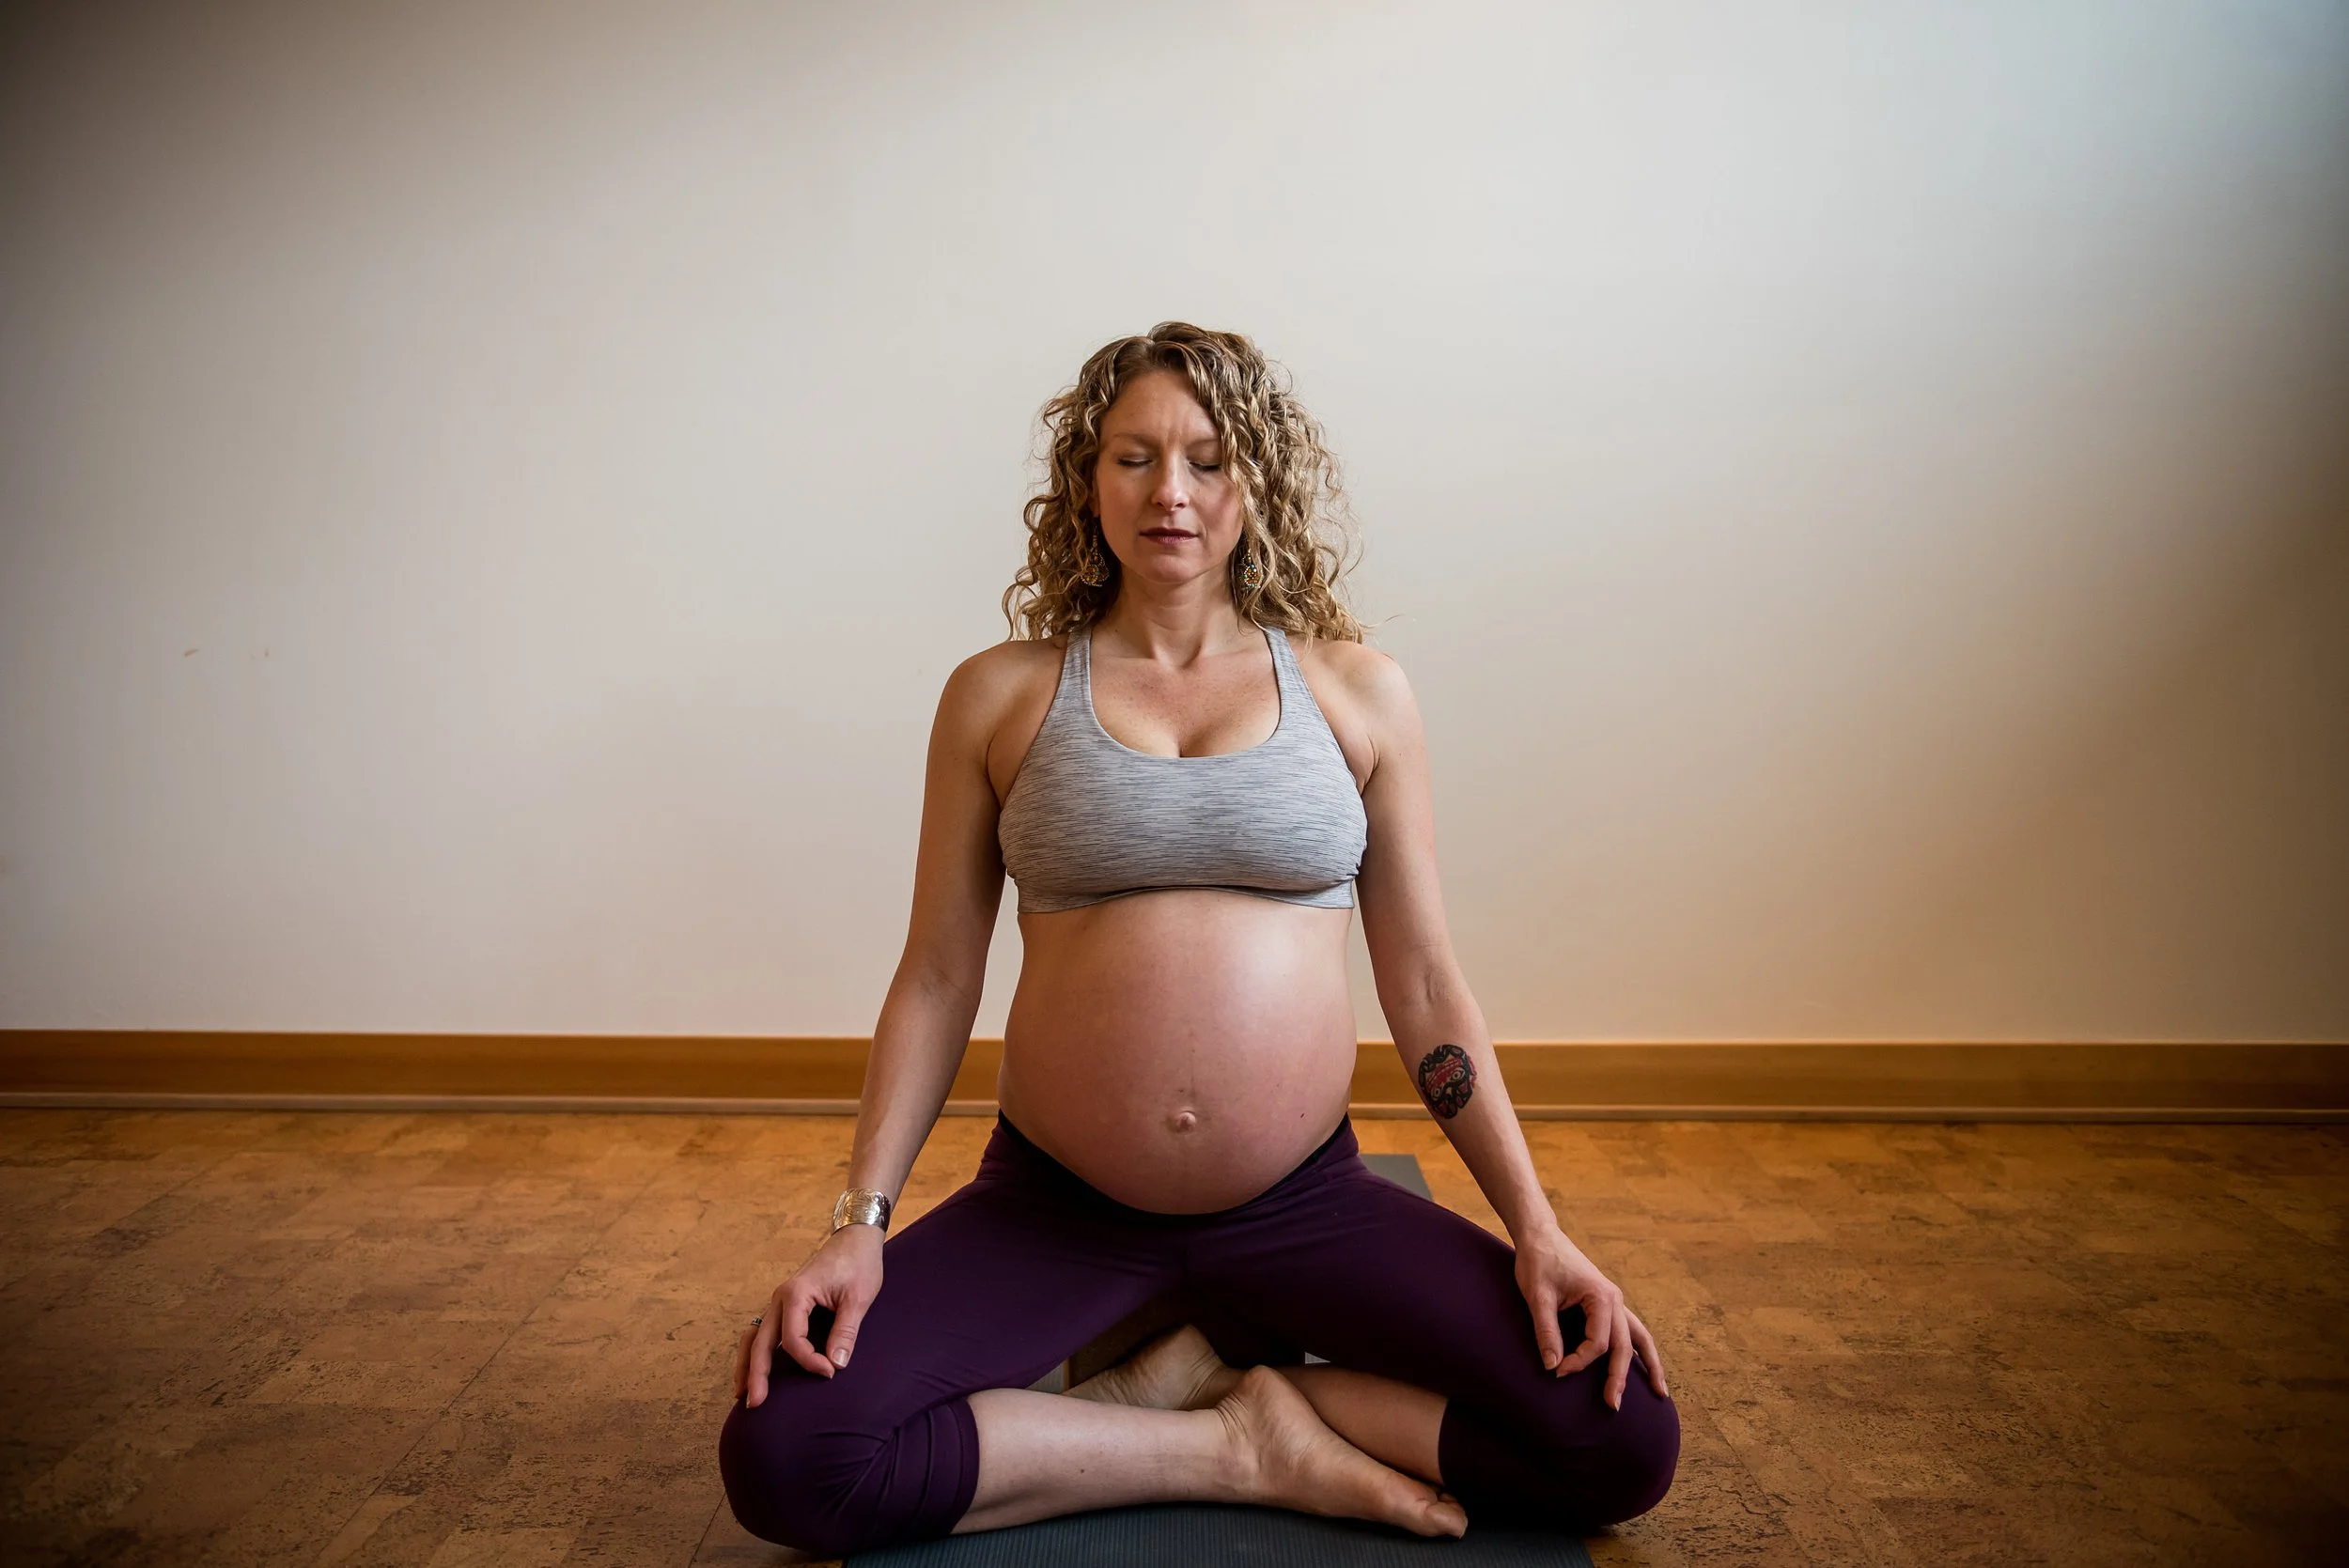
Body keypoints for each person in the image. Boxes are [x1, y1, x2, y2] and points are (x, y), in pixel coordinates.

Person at [719, 323, 1677, 1557]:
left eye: (1209, 459)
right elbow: (939, 977)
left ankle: (1266, 1398)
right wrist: (859, 1227)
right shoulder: (1001, 694)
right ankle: (1229, 1442)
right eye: (1135, 458)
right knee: (789, 1457)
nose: (1172, 491)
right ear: (1086, 482)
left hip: (1304, 1208)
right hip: (1054, 1209)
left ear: (1255, 484)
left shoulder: (1357, 691)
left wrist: (1541, 1232)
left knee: (1620, 1432)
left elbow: (1428, 985)